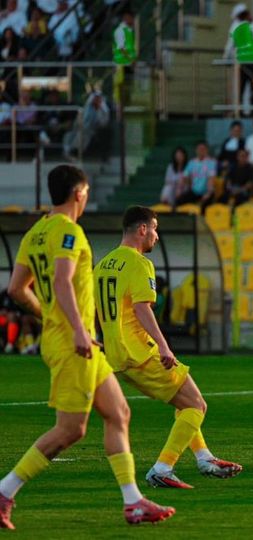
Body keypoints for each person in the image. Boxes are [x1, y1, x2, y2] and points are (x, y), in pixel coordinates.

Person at [0, 165, 174, 529]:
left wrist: (49, 316)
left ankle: (133, 502)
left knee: (118, 412)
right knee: (71, 430)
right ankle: (5, 491)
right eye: (88, 192)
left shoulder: (35, 233)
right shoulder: (69, 232)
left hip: (76, 341)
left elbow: (17, 289)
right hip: (74, 343)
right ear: (79, 193)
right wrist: (78, 330)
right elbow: (63, 280)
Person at [93, 206, 243, 490]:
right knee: (197, 404)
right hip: (140, 351)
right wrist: (164, 347)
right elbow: (142, 309)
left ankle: (204, 458)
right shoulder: (139, 264)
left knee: (184, 404)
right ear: (142, 230)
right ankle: (162, 468)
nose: (157, 236)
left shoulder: (103, 265)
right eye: (154, 228)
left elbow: (95, 308)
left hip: (117, 355)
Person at [175, 141, 218, 210]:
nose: (201, 151)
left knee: (206, 205)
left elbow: (211, 179)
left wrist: (208, 193)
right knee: (179, 201)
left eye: (203, 149)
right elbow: (184, 177)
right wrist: (179, 189)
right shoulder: (191, 163)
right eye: (199, 149)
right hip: (194, 191)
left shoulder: (211, 162)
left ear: (207, 150)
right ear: (196, 150)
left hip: (207, 192)